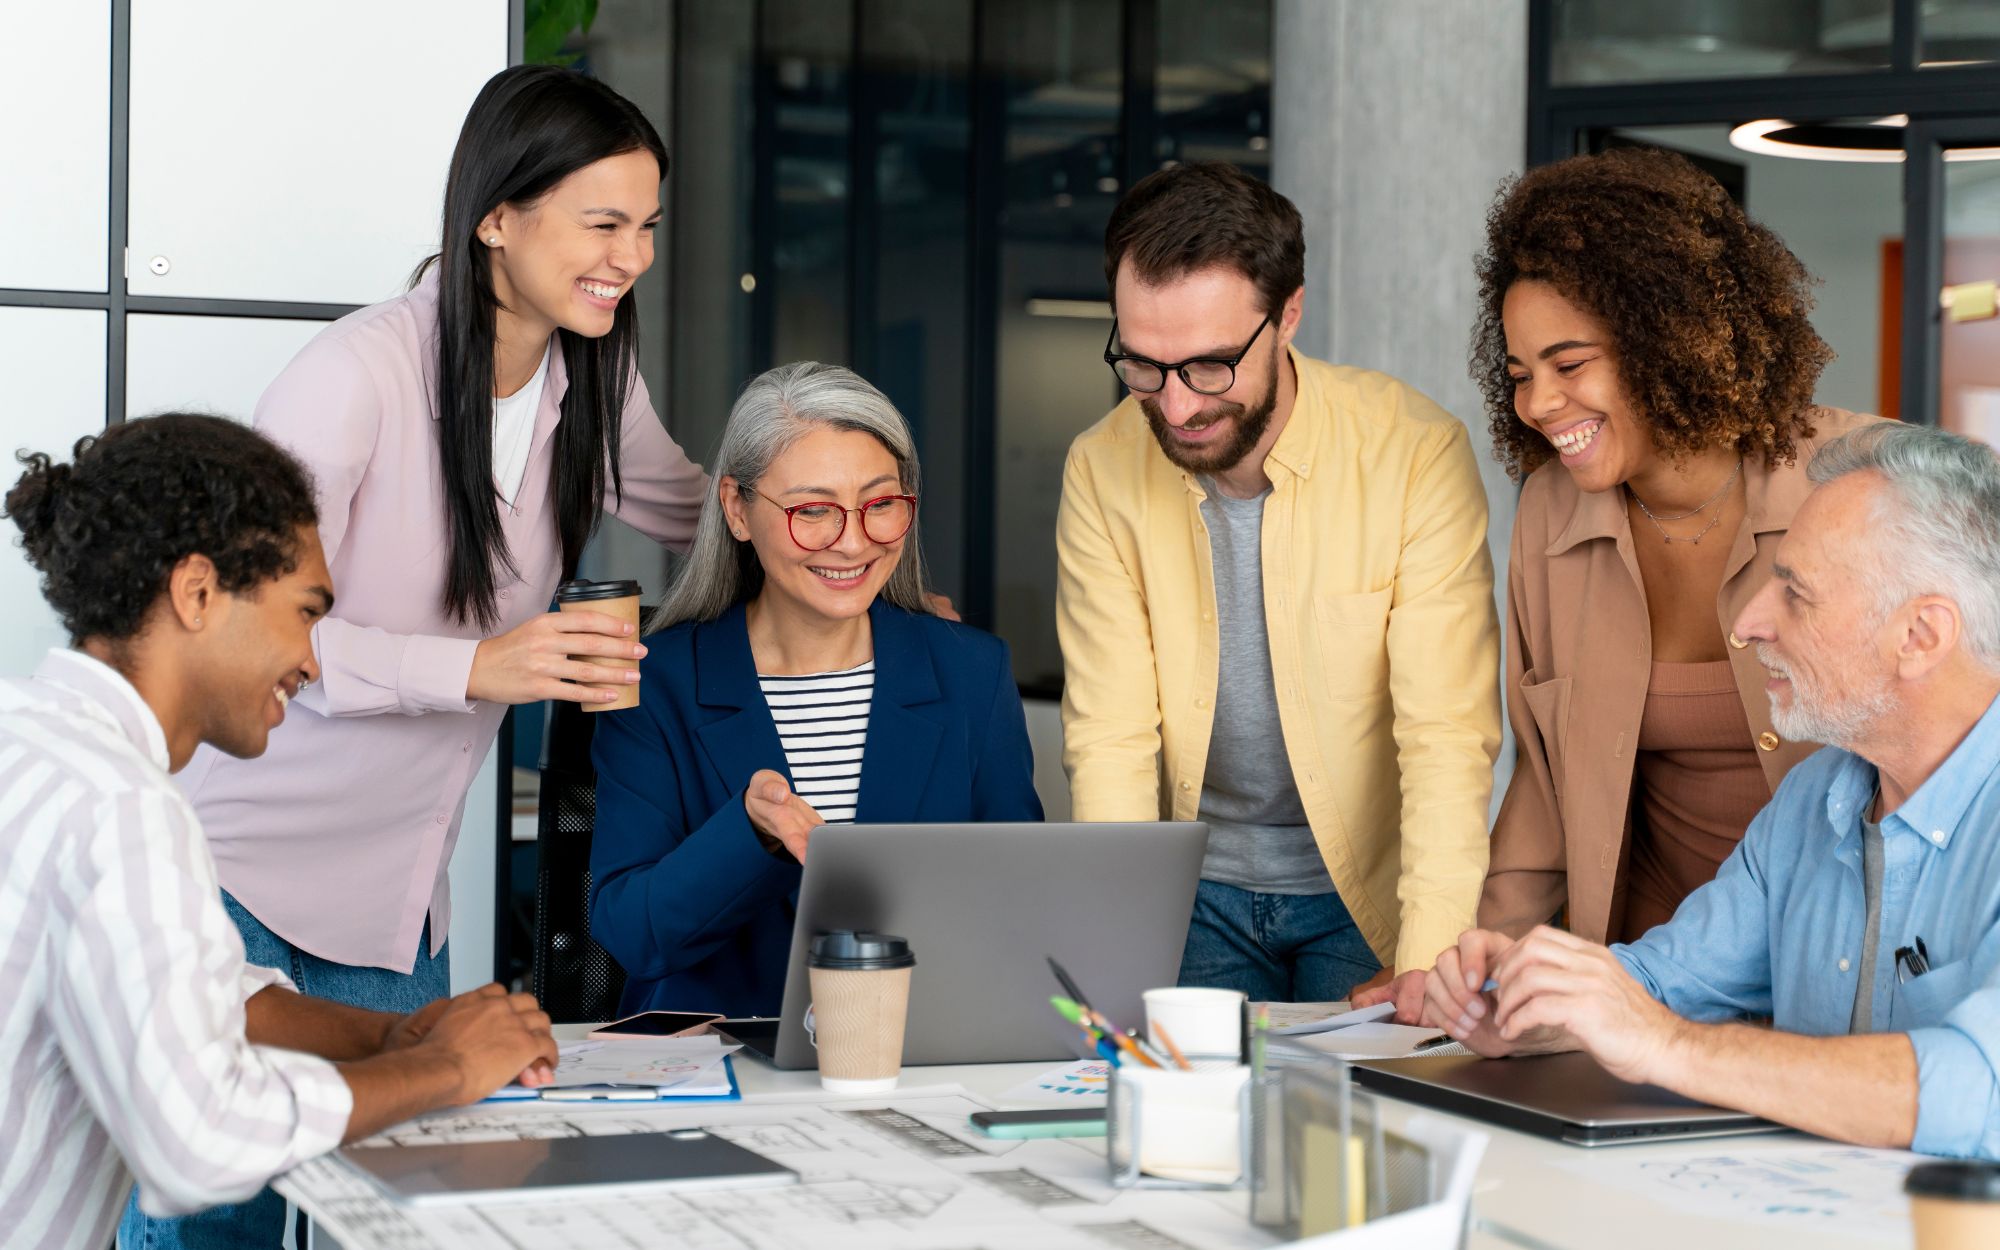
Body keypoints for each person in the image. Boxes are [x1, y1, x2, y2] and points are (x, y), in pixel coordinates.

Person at [135, 64, 705, 1247]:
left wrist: (845, 544)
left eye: (646, 227)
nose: (631, 255)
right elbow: (239, 630)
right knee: (216, 1224)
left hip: (393, 903)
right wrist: (476, 667)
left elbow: (704, 510)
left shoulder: (593, 382)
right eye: (604, 223)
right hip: (230, 875)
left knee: (385, 1221)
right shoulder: (355, 377)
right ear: (497, 215)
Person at [0, 415, 558, 1250]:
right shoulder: (124, 809)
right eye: (305, 613)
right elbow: (200, 1144)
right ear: (196, 593)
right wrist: (444, 1070)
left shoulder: (30, 735)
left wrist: (397, 1034)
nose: (310, 656)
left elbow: (204, 994)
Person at [1359, 147, 1878, 1020]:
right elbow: (1547, 783)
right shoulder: (1549, 516)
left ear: (1668, 338)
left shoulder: (1861, 485)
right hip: (1643, 985)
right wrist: (1459, 967)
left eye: (1570, 365)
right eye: (1521, 375)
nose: (1538, 403)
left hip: (1839, 979)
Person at [1424, 422, 2000, 1159]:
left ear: (1921, 635)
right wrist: (1529, 1002)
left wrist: (1664, 1043)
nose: (1750, 623)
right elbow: (1664, 983)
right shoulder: (1814, 798)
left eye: (1797, 594)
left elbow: (1982, 1090)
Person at [1056, 162, 1501, 1008]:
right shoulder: (1102, 467)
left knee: (1350, 1128)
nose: (1176, 407)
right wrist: (1116, 946)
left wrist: (1428, 956)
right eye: (1143, 366)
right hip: (1193, 898)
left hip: (1364, 897)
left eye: (1210, 367)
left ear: (1288, 314)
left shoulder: (1414, 454)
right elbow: (1110, 738)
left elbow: (1446, 734)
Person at [589, 363, 1042, 1017]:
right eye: (814, 511)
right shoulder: (658, 682)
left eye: (880, 504)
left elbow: (1021, 903)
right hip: (723, 1060)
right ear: (737, 510)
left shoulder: (972, 673)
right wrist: (749, 835)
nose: (853, 542)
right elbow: (633, 933)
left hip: (918, 1052)